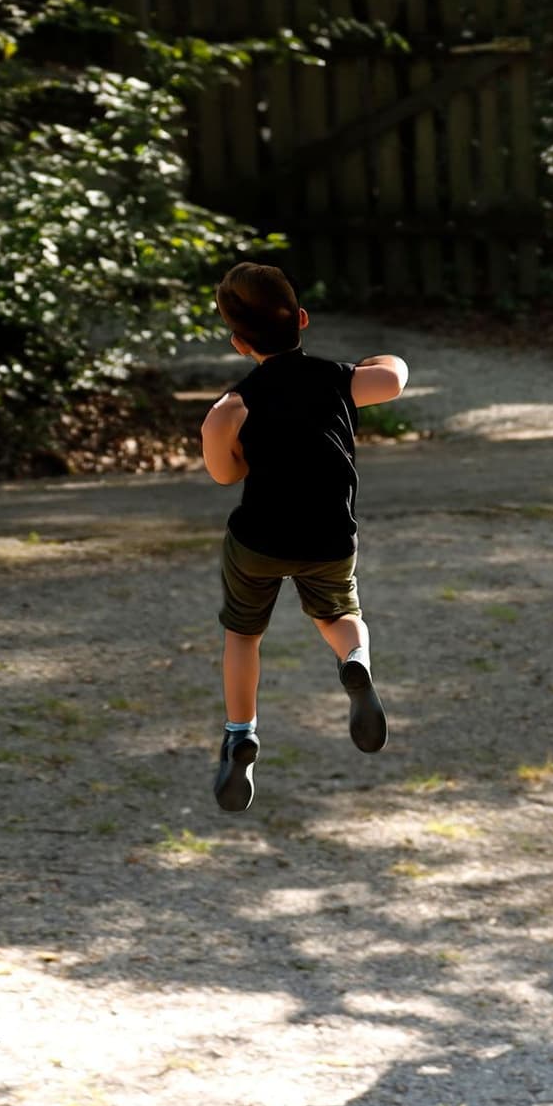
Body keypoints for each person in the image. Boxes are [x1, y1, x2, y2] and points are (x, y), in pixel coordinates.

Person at [196, 261, 406, 815]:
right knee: (338, 612)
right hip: (329, 535)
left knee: (243, 634)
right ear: (303, 319)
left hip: (259, 541)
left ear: (240, 343)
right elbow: (394, 376)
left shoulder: (231, 408)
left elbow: (225, 473)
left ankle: (241, 734)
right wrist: (378, 359)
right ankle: (354, 659)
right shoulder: (340, 380)